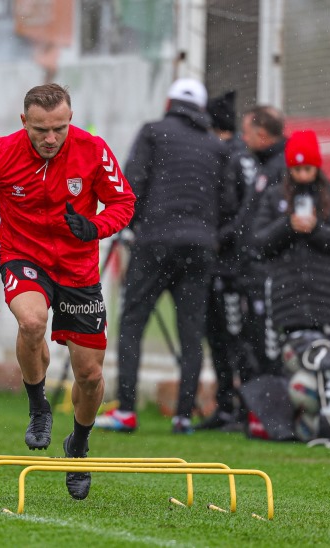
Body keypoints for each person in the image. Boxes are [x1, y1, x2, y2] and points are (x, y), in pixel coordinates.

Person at [0, 83, 135, 500]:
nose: (51, 139)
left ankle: (78, 447)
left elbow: (124, 202)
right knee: (31, 320)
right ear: (24, 122)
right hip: (24, 255)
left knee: (90, 375)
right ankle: (38, 407)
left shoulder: (92, 149)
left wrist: (96, 227)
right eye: (40, 130)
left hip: (78, 268)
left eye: (59, 129)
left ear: (71, 120)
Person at [94, 78, 228, 434]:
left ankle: (126, 410)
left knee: (133, 323)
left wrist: (135, 225)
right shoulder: (216, 146)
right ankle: (184, 416)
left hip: (154, 241)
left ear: (170, 102)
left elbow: (131, 184)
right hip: (200, 247)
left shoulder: (153, 131)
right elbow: (226, 202)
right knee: (191, 331)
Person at [251, 130, 330, 443]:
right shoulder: (274, 198)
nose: (302, 175)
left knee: (327, 362)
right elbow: (258, 242)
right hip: (287, 300)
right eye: (296, 169)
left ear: (317, 166)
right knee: (292, 365)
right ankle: (291, 423)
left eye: (308, 168)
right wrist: (287, 226)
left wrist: (317, 230)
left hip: (329, 300)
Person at [197, 91, 259, 431]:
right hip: (228, 264)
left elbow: (240, 214)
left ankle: (238, 408)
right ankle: (230, 407)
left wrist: (217, 240)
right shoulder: (238, 155)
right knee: (224, 338)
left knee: (230, 338)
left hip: (230, 267)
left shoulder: (230, 157)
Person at [239, 105, 287, 377]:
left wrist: (259, 256)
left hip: (268, 273)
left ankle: (273, 409)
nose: (243, 139)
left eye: (247, 132)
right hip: (255, 268)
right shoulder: (265, 165)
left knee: (268, 342)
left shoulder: (281, 168)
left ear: (263, 135)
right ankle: (255, 410)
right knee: (253, 338)